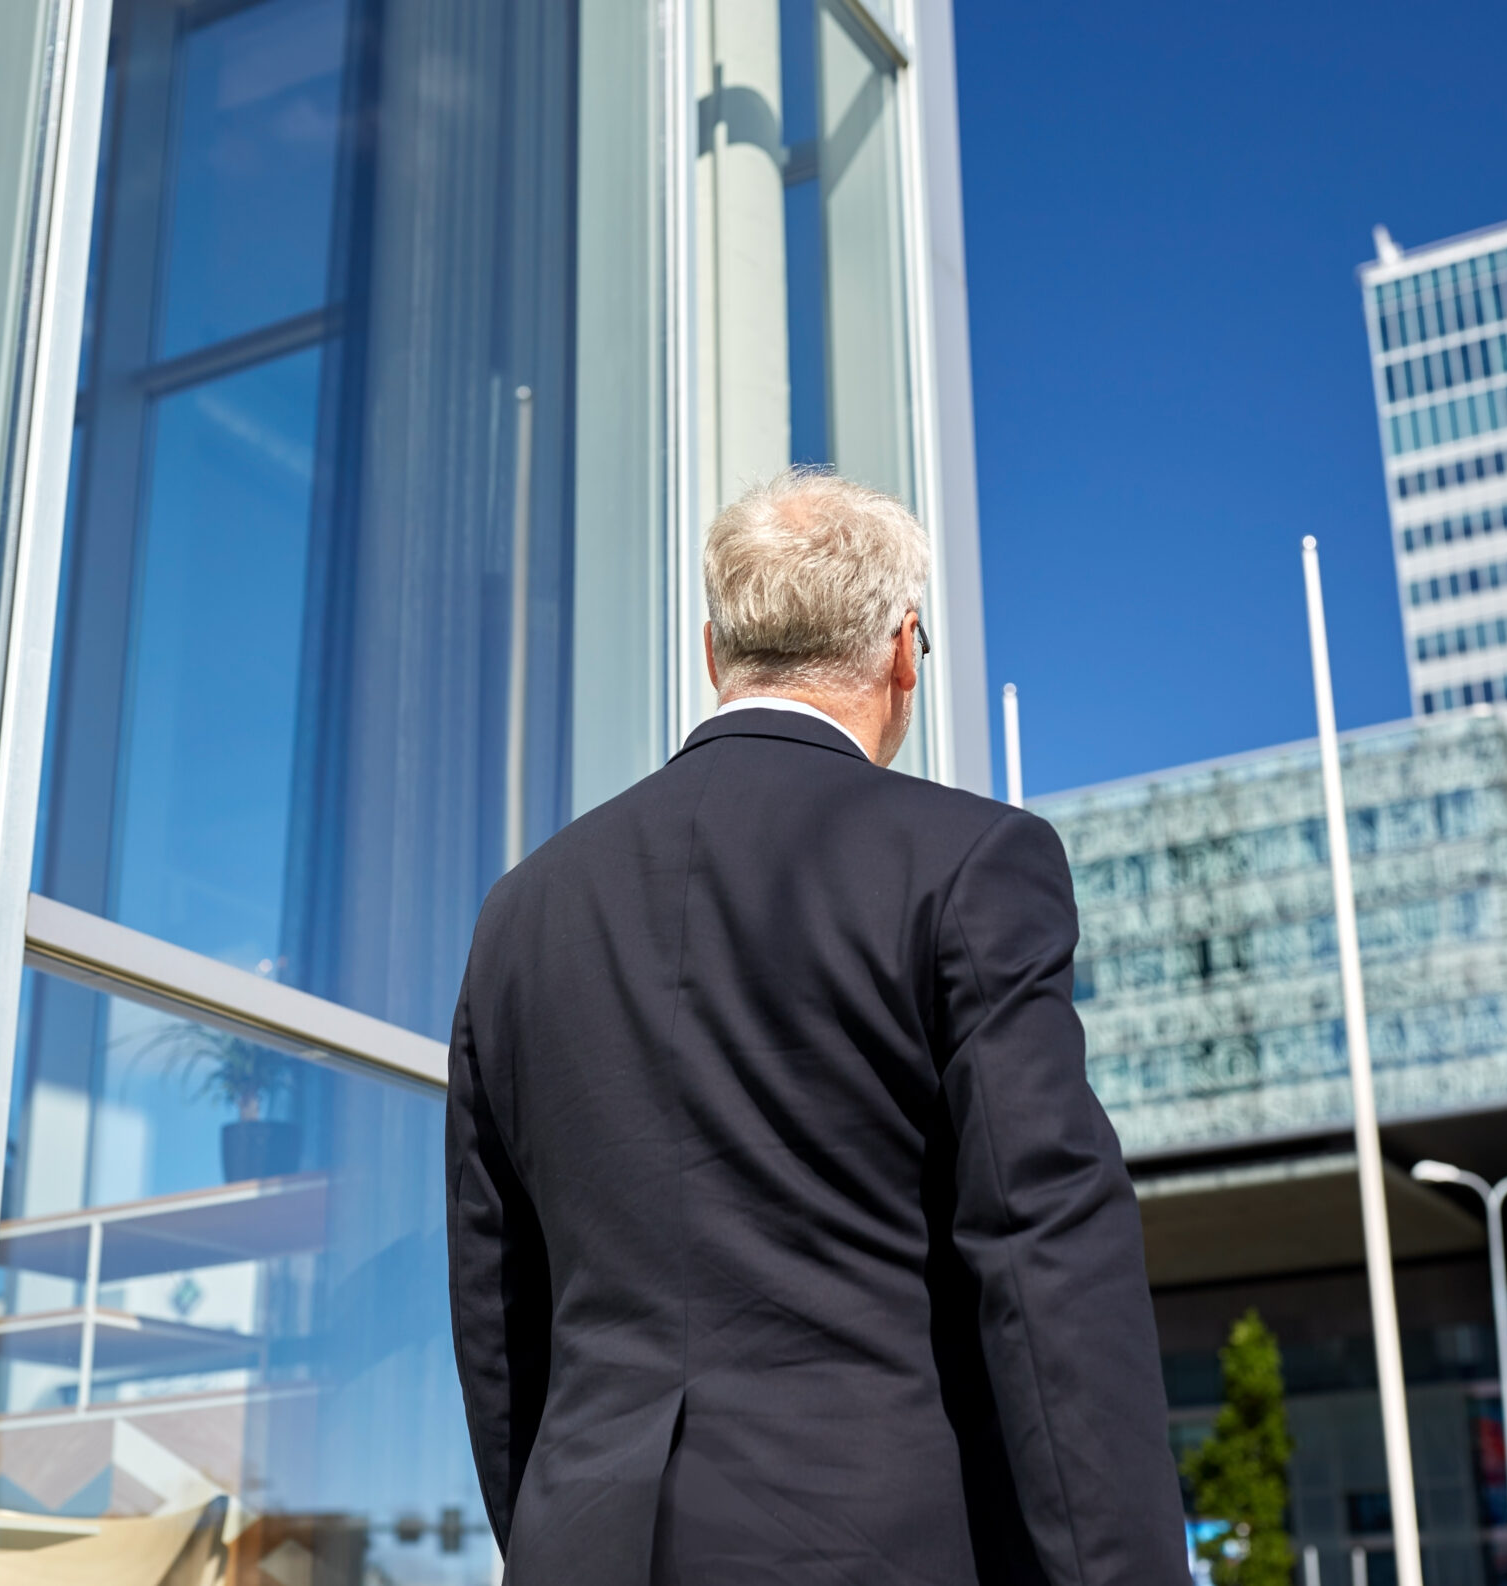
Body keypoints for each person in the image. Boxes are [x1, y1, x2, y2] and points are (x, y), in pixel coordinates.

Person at [446, 469, 1185, 1585]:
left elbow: (495, 1302)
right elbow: (1045, 1260)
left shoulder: (522, 908)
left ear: (712, 652)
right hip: (872, 1542)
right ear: (901, 649)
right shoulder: (968, 862)